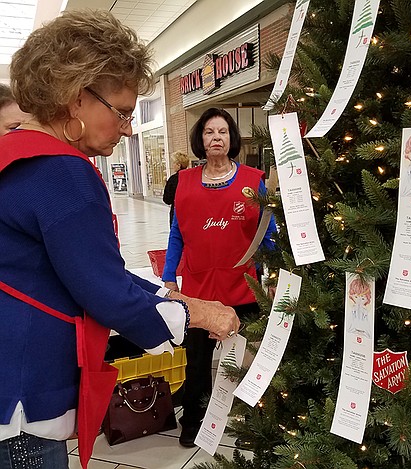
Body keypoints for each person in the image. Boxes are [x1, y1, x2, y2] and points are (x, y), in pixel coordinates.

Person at [0, 11, 239, 469]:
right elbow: (104, 291)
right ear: (76, 100)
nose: (128, 127)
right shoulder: (63, 172)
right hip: (22, 396)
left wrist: (170, 294)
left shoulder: (16, 156)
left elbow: (79, 269)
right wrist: (196, 310)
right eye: (123, 112)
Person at [162, 107, 277, 447]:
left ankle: (251, 425)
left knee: (247, 361)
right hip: (198, 292)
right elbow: (176, 235)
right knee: (197, 363)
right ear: (200, 139)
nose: (216, 137)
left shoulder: (252, 181)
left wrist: (272, 273)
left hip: (244, 286)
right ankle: (194, 422)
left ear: (231, 139)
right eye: (209, 132)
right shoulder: (183, 183)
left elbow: (267, 233)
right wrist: (170, 279)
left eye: (223, 132)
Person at [163, 151, 190, 227]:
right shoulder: (192, 177)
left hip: (177, 212)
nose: (173, 165)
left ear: (179, 165)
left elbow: (167, 199)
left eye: (174, 163)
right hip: (190, 211)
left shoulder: (173, 179)